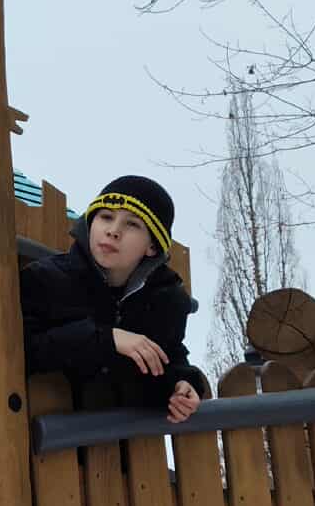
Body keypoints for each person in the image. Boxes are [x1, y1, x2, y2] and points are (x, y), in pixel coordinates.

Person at [19, 175, 208, 423]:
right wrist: (107, 339)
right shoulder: (45, 280)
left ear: (152, 246)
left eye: (132, 224)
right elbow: (22, 350)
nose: (113, 231)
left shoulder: (165, 300)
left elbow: (168, 356)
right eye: (106, 217)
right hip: (42, 436)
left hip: (129, 441)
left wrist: (180, 384)